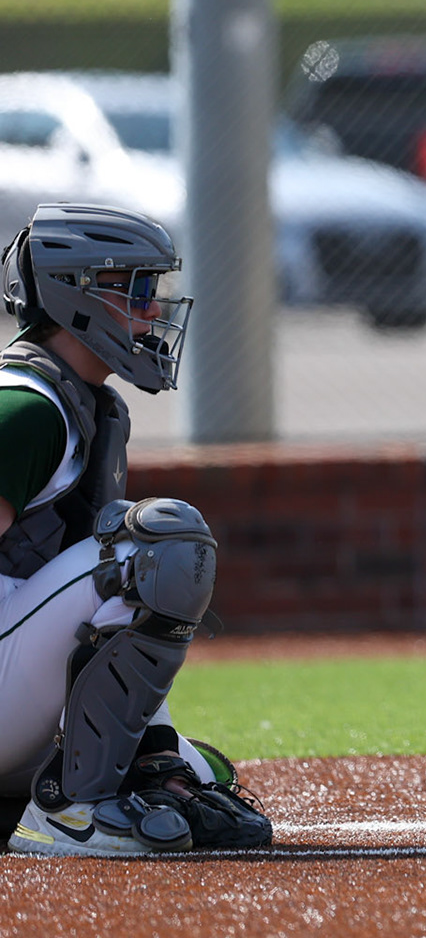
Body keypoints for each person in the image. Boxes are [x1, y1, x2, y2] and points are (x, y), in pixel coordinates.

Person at [0, 203, 271, 856]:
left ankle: (104, 777)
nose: (155, 311)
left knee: (195, 774)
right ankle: (72, 810)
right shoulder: (25, 407)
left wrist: (154, 752)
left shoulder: (88, 402)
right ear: (79, 293)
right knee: (157, 544)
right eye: (141, 289)